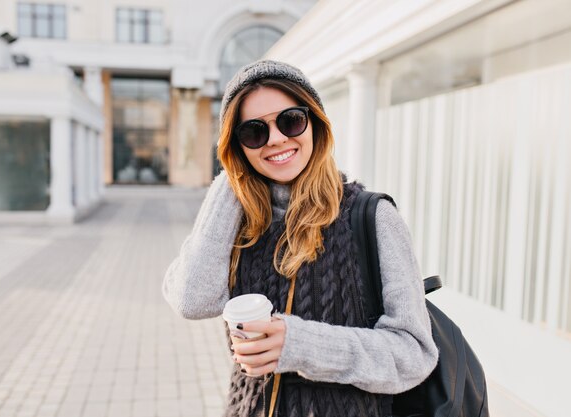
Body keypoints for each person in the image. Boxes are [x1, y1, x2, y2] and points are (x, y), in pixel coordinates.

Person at [163, 60, 438, 417]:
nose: (276, 138)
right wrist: (231, 180)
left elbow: (414, 353)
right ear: (238, 147)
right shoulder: (236, 221)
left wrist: (300, 344)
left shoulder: (371, 217)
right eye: (253, 132)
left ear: (315, 124)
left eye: (291, 120)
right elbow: (191, 300)